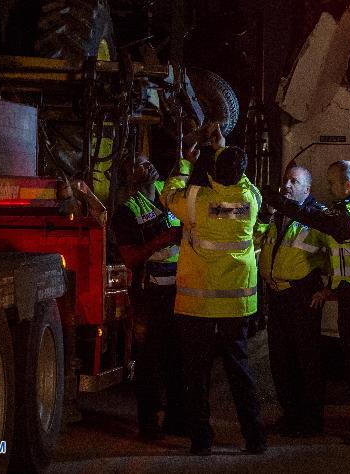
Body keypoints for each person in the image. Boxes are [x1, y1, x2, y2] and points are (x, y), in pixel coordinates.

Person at [263, 160, 350, 445]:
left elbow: (321, 226)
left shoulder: (347, 215)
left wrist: (328, 287)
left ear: (348, 184)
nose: (330, 189)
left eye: (332, 183)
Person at [161, 127, 267, 456]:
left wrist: (185, 162)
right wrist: (224, 149)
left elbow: (168, 194)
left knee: (197, 375)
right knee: (240, 371)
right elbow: (246, 181)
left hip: (196, 306)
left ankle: (201, 441)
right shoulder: (249, 199)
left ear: (211, 174)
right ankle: (255, 438)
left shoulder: (195, 200)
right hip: (237, 304)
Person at [110, 155, 185, 440]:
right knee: (150, 362)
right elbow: (129, 257)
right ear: (130, 177)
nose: (147, 166)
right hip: (148, 295)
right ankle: (149, 424)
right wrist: (162, 239)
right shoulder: (127, 212)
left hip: (180, 290)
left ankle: (177, 420)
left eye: (146, 161)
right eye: (138, 165)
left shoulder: (170, 193)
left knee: (178, 358)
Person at [257, 165, 329, 437]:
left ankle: (311, 421)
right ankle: (290, 416)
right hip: (277, 296)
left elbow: (336, 253)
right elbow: (256, 238)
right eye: (285, 180)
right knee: (281, 361)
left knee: (306, 361)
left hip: (302, 295)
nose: (286, 185)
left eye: (294, 182)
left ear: (307, 190)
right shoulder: (278, 213)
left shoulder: (316, 216)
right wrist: (266, 214)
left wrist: (328, 288)